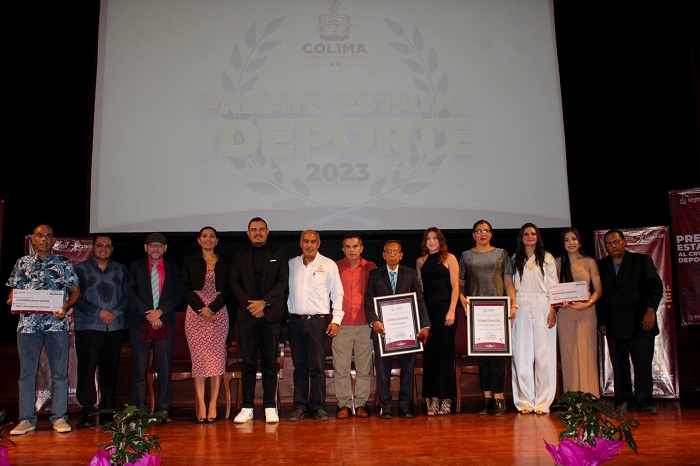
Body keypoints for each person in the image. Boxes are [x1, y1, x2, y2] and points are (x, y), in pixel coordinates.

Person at [6, 224, 80, 435]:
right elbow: (12, 293)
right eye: (40, 236)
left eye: (48, 236)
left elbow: (76, 291)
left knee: (59, 373)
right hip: (27, 327)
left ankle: (59, 417)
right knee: (26, 374)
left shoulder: (63, 263)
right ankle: (26, 419)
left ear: (54, 240)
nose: (44, 239)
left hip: (56, 325)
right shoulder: (22, 263)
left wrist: (65, 307)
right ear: (33, 240)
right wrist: (14, 300)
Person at [597, 229, 663, 415]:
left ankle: (645, 401)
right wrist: (601, 320)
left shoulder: (642, 261)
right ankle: (623, 403)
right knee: (619, 366)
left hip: (641, 322)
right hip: (614, 324)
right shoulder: (600, 266)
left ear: (624, 242)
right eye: (609, 244)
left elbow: (655, 287)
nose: (613, 246)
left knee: (642, 364)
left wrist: (650, 311)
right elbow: (599, 296)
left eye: (616, 242)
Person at [230, 217, 289, 424]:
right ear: (248, 233)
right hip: (247, 316)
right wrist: (251, 305)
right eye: (253, 230)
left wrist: (263, 303)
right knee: (247, 362)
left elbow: (282, 283)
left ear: (267, 231)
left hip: (270, 316)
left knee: (269, 363)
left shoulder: (278, 254)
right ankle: (247, 407)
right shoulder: (239, 255)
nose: (257, 233)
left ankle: (269, 407)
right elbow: (234, 283)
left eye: (261, 229)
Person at [365, 240, 430, 419]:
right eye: (389, 252)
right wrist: (374, 322)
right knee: (383, 369)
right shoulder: (374, 275)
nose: (392, 255)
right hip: (382, 331)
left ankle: (404, 405)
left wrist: (425, 325)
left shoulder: (410, 274)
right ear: (383, 255)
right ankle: (385, 406)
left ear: (401, 255)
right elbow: (369, 302)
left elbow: (420, 300)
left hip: (407, 330)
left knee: (407, 369)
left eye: (396, 252)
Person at [459, 220, 517, 417]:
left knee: (498, 357)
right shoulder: (466, 255)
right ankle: (487, 398)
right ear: (473, 234)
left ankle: (499, 398)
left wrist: (514, 304)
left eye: (486, 231)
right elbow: (460, 284)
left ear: (491, 234)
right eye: (478, 231)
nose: (482, 234)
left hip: (498, 310)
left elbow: (508, 282)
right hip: (476, 312)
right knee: (483, 357)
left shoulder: (501, 254)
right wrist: (462, 301)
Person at [286, 230, 344, 422]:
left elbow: (337, 294)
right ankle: (300, 406)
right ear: (300, 244)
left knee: (318, 367)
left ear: (319, 244)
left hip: (319, 323)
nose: (309, 244)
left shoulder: (328, 264)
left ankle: (318, 406)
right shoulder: (291, 264)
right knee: (299, 366)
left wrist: (336, 321)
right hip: (295, 322)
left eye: (313, 241)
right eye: (306, 241)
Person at [126, 232, 183, 423]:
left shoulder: (173, 268)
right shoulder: (136, 267)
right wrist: (149, 313)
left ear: (165, 248)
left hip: (164, 321)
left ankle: (164, 410)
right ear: (145, 248)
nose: (156, 249)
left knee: (165, 368)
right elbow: (131, 293)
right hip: (141, 322)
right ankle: (139, 411)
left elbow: (177, 295)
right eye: (152, 245)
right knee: (139, 369)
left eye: (159, 245)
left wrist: (160, 312)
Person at [73, 235, 129, 428]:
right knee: (87, 369)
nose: (103, 249)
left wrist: (113, 313)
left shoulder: (121, 269)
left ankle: (107, 411)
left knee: (109, 370)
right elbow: (75, 298)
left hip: (114, 326)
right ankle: (88, 410)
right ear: (93, 248)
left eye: (107, 246)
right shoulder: (79, 269)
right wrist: (99, 312)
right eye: (100, 246)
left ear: (112, 249)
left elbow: (128, 296)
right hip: (88, 326)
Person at [181, 226, 230, 423]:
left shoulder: (225, 262)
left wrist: (213, 309)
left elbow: (228, 290)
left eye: (212, 237)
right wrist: (202, 308)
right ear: (198, 240)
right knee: (200, 359)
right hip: (195, 313)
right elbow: (185, 288)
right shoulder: (189, 261)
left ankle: (213, 404)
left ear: (217, 241)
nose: (208, 239)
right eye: (204, 236)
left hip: (218, 313)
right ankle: (201, 403)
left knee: (216, 359)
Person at [511, 223, 559, 415]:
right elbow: (511, 286)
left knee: (544, 355)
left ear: (537, 237)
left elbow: (554, 287)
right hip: (521, 305)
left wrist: (553, 310)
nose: (530, 237)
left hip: (543, 304)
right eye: (526, 234)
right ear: (521, 237)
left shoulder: (547, 258)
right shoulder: (515, 259)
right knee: (522, 355)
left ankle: (543, 402)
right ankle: (524, 401)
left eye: (533, 234)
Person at [416, 227, 459, 415]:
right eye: (428, 238)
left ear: (440, 241)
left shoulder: (450, 258)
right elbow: (421, 291)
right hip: (428, 315)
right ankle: (434, 398)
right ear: (424, 242)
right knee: (430, 357)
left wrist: (451, 311)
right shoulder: (420, 261)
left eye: (435, 238)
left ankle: (447, 398)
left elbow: (455, 286)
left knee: (445, 356)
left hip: (446, 314)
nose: (431, 241)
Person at [333, 233, 377, 419]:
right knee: (341, 369)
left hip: (364, 325)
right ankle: (343, 405)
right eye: (348, 247)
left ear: (361, 248)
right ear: (343, 249)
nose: (352, 250)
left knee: (363, 368)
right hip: (341, 326)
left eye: (355, 246)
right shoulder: (334, 267)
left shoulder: (371, 267)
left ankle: (360, 404)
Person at [555, 227, 602, 396]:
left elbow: (598, 290)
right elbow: (553, 290)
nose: (570, 243)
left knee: (587, 352)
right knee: (569, 354)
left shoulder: (589, 262)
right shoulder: (557, 263)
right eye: (566, 240)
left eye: (573, 239)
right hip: (565, 313)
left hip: (586, 312)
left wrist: (588, 303)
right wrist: (561, 302)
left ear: (579, 241)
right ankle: (572, 397)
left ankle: (590, 396)